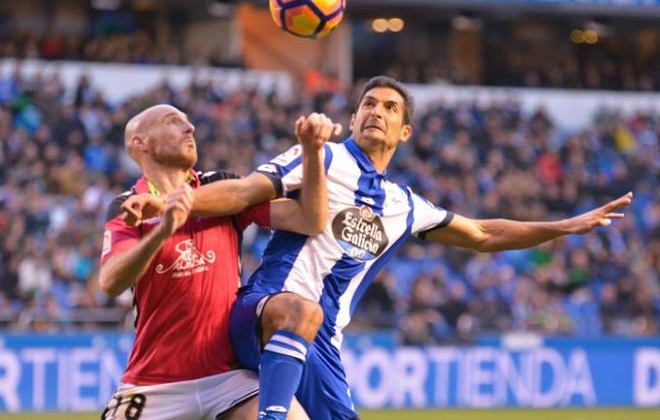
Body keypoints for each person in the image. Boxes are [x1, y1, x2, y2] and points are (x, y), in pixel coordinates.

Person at [125, 77, 633, 420]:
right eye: (369, 104)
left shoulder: (406, 205)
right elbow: (243, 192)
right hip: (264, 311)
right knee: (298, 309)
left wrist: (562, 226)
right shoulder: (322, 157)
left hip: (321, 346)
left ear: (404, 131)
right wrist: (174, 203)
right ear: (352, 116)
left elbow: (483, 235)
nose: (377, 113)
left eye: (390, 108)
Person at [99, 103, 339, 420]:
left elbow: (310, 219)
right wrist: (162, 231)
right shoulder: (128, 206)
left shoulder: (219, 189)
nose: (190, 128)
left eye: (188, 121)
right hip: (156, 383)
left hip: (227, 378)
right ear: (140, 143)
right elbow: (111, 282)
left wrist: (312, 153)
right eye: (173, 122)